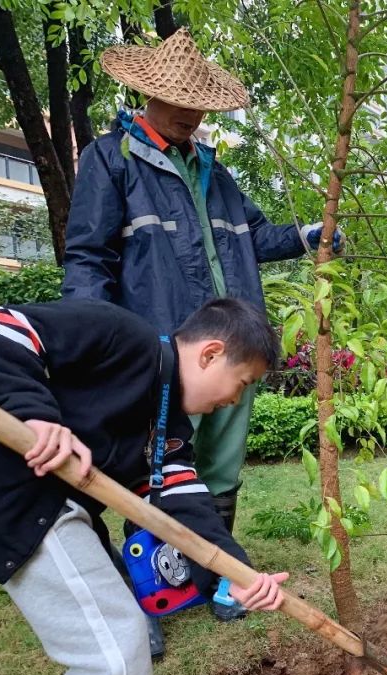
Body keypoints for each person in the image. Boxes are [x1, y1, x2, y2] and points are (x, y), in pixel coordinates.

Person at [0, 297, 290, 675]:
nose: (235, 401)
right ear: (211, 353)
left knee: (114, 635)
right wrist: (35, 416)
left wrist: (234, 572)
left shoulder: (167, 423)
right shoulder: (121, 335)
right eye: (242, 384)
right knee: (113, 652)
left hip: (53, 506)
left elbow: (179, 497)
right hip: (6, 493)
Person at [61, 28, 339, 635]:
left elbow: (257, 237)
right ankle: (149, 593)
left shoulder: (216, 172)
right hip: (162, 350)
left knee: (218, 466)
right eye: (179, 103)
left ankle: (216, 578)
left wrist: (308, 235)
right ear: (147, 95)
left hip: (231, 346)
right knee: (153, 468)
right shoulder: (112, 162)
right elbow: (87, 258)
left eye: (199, 106)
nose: (191, 115)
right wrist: (94, 342)